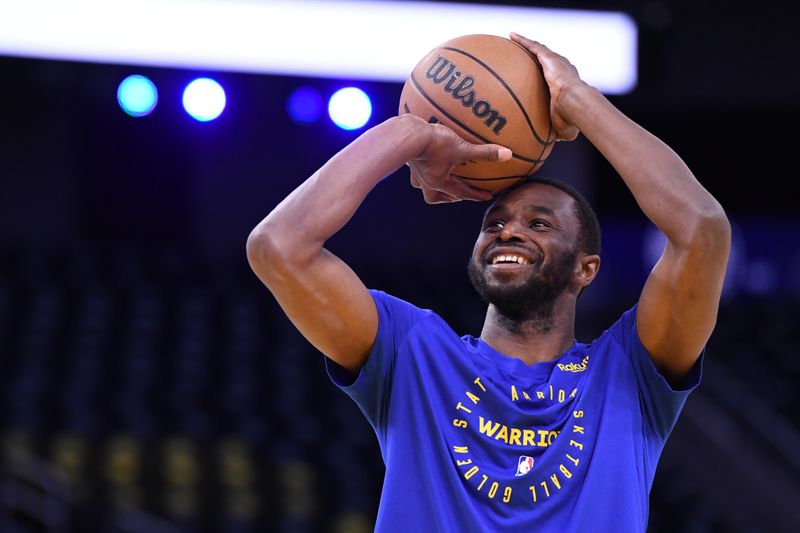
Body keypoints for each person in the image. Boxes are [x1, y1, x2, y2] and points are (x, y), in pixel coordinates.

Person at [246, 32, 731, 532]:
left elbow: (702, 229)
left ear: (586, 268)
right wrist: (411, 134)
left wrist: (577, 100)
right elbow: (278, 247)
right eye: (494, 224)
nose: (510, 230)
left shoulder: (629, 370)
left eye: (540, 224)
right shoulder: (410, 350)